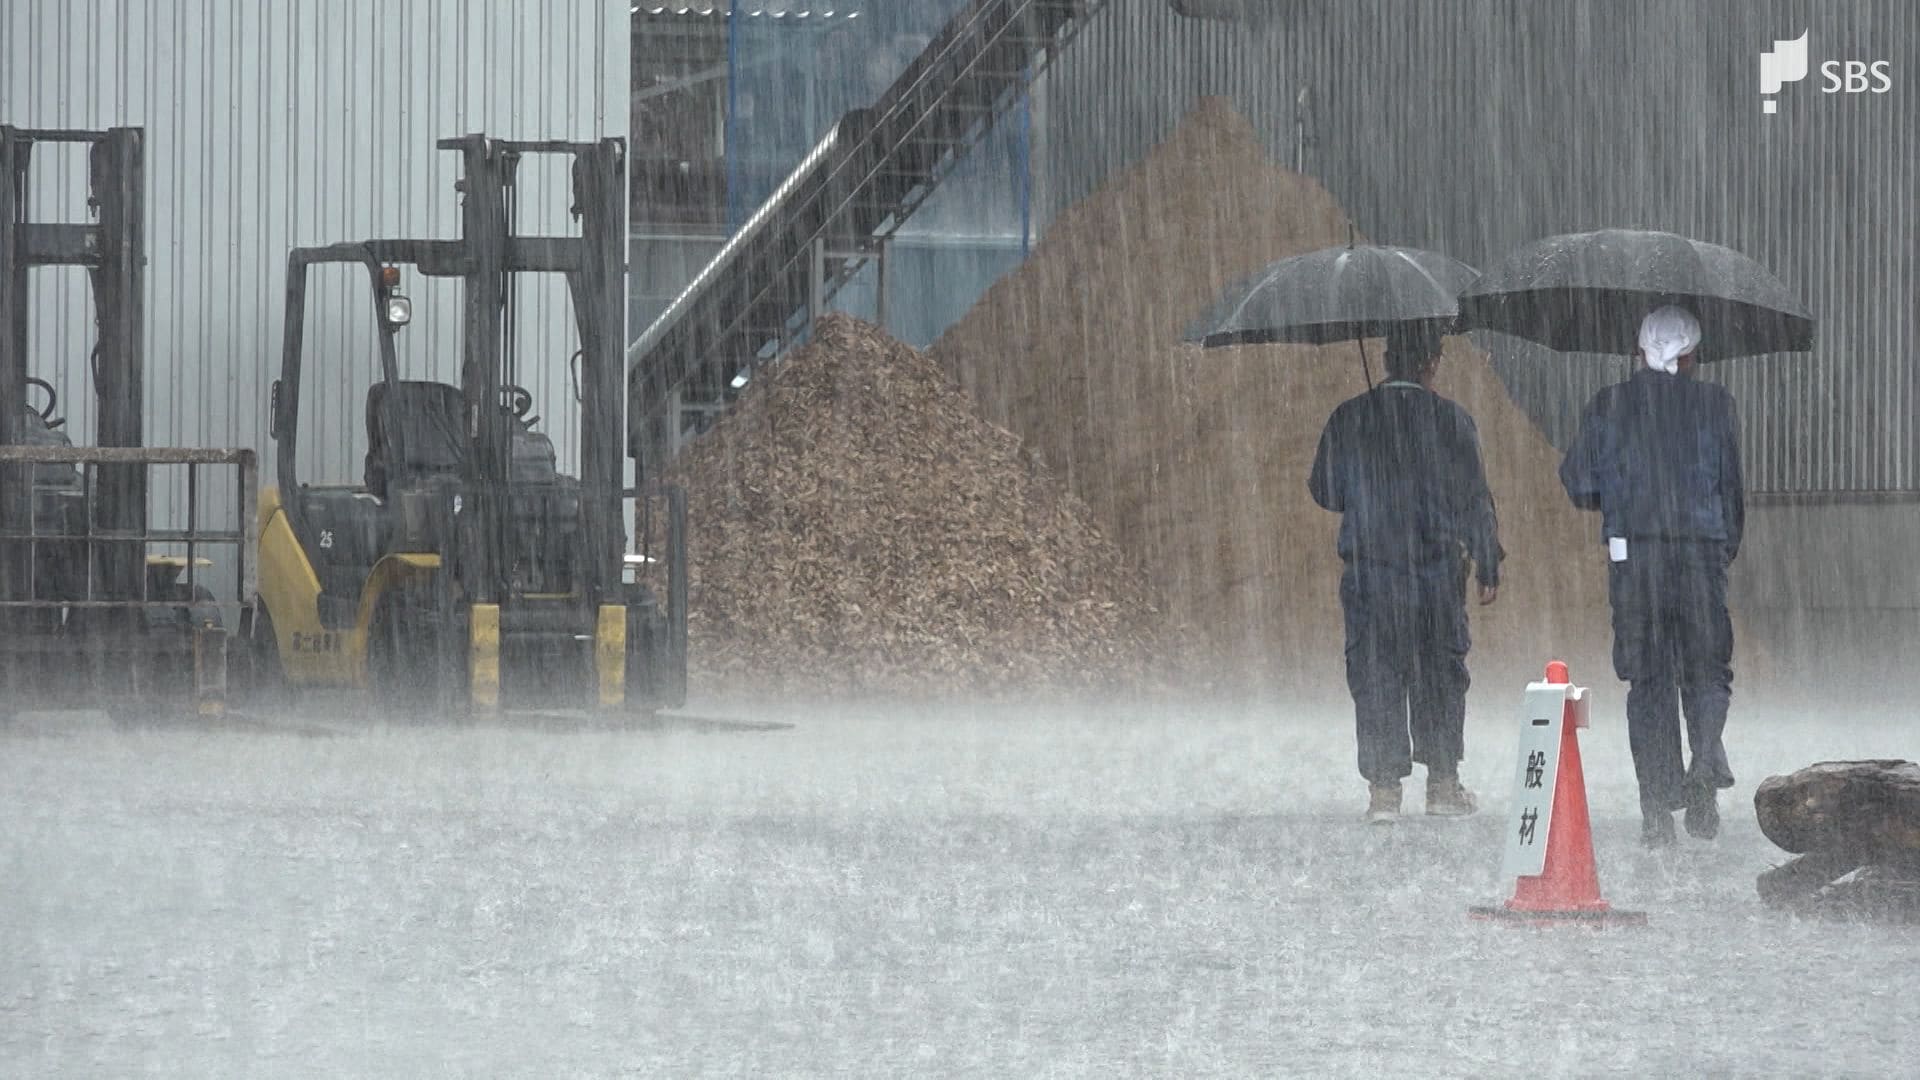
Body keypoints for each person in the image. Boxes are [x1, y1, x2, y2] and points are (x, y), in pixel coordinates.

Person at [1559, 306, 1743, 848]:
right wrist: (1720, 546)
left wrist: (1617, 496)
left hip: (1634, 559)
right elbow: (1731, 489)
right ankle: (1705, 761)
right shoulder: (1716, 405)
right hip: (1701, 555)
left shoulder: (1610, 404)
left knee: (1649, 682)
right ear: (1692, 357)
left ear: (1639, 351)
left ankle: (1657, 813)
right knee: (1707, 671)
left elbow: (1576, 482)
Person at [1309, 322, 1503, 825]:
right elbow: (1474, 498)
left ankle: (1384, 793)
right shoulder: (1452, 421)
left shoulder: (1349, 418)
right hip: (1436, 573)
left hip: (1371, 573)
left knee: (1376, 672)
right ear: (1430, 364)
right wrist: (1488, 561)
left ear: (1388, 359)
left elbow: (1325, 492)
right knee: (1440, 671)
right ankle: (1442, 784)